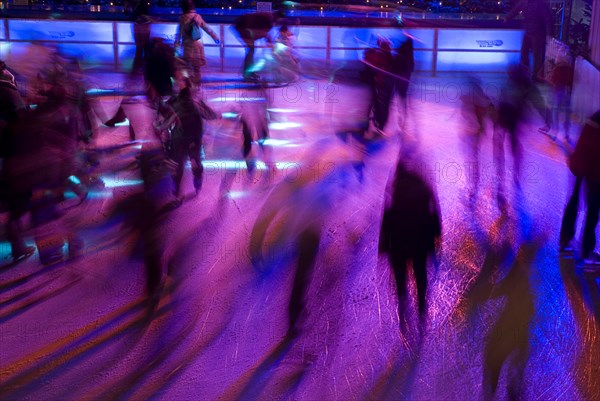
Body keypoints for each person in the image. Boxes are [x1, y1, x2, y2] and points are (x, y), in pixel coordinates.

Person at [379, 156, 442, 319]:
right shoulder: (423, 187)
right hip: (419, 240)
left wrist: (384, 245)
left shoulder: (394, 188)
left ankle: (403, 306)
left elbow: (387, 217)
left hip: (398, 242)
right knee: (420, 274)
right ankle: (421, 306)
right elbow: (434, 212)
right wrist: (436, 235)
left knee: (401, 279)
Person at [154, 78, 218, 198]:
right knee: (195, 158)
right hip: (194, 134)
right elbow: (210, 115)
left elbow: (162, 121)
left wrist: (159, 127)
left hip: (180, 135)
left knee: (177, 162)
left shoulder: (172, 102)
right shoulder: (195, 101)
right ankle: (196, 180)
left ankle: (176, 188)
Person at [561, 109, 600, 266]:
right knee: (593, 208)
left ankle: (565, 241)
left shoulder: (596, 115)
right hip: (593, 166)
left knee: (576, 199)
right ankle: (587, 252)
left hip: (582, 161)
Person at [505, 0, 553, 82]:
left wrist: (549, 34)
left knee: (536, 54)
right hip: (528, 30)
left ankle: (536, 75)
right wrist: (507, 17)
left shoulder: (540, 3)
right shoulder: (524, 2)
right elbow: (516, 10)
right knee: (524, 52)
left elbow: (548, 19)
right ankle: (525, 73)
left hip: (538, 31)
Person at [174, 0, 220, 86]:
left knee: (187, 67)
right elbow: (207, 28)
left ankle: (189, 85)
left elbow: (178, 34)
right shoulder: (197, 17)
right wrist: (215, 38)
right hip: (198, 46)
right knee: (197, 68)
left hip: (188, 46)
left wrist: (176, 48)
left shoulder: (183, 19)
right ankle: (197, 85)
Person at [233, 10, 285, 80]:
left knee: (251, 50)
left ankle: (249, 72)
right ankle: (247, 73)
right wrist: (271, 45)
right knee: (251, 50)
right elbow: (264, 33)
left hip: (244, 27)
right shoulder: (269, 20)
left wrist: (270, 43)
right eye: (279, 20)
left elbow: (264, 33)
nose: (279, 23)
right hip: (243, 27)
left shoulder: (269, 19)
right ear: (278, 18)